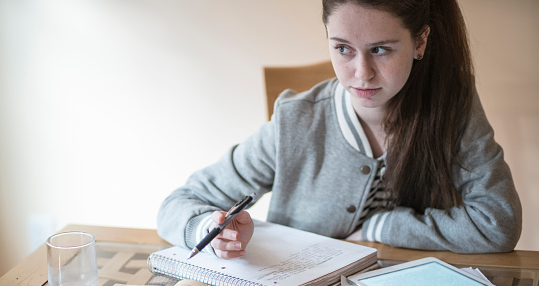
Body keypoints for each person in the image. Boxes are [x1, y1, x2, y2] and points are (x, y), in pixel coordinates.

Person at [157, 0, 521, 259]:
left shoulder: (453, 104)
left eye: (380, 49)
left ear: (420, 41)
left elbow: (498, 223)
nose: (361, 73)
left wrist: (384, 228)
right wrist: (208, 229)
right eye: (343, 48)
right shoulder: (296, 121)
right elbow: (176, 205)